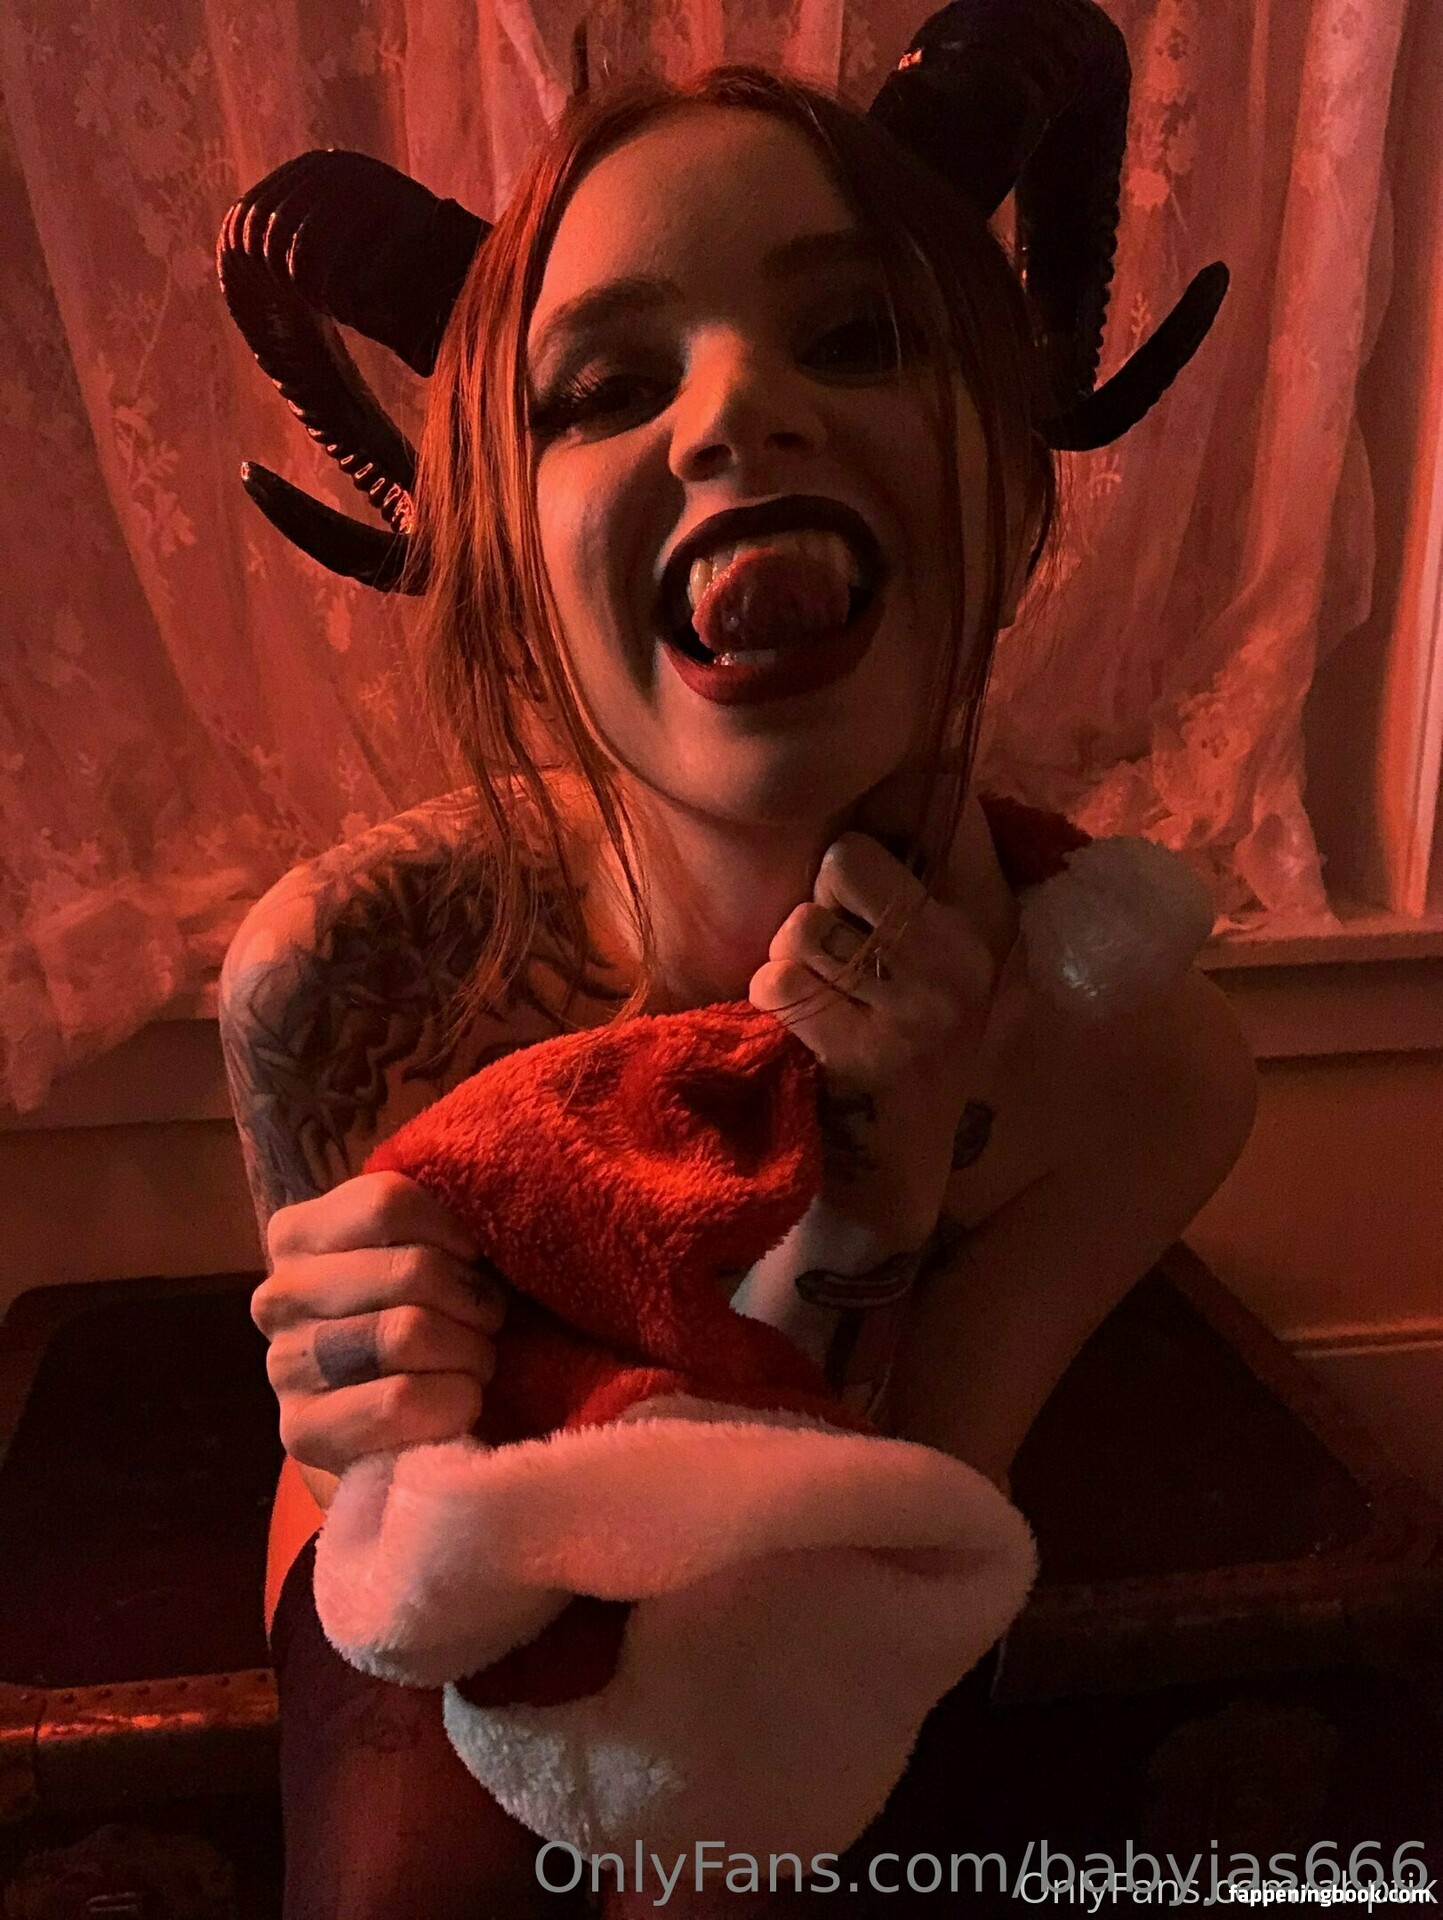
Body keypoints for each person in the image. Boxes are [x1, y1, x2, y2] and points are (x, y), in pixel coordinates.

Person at [217, 38, 1258, 1920]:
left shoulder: (1146, 1065)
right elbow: (365, 1498)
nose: (736, 411)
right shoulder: (340, 976)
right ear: (509, 559)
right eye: (604, 386)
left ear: (1009, 468)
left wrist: (880, 1196)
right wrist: (353, 1381)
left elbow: (861, 1555)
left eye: (857, 335)